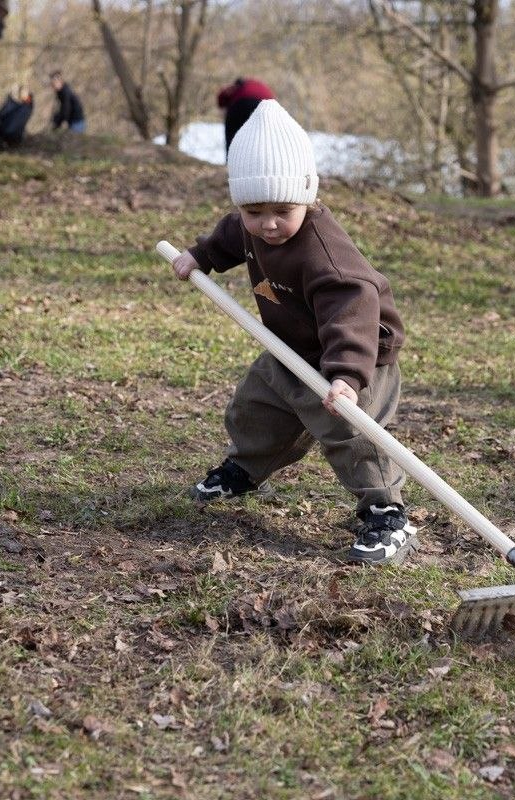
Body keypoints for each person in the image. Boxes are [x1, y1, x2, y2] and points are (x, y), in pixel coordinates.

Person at [169, 100, 415, 566]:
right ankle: (245, 469)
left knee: (351, 432)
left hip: (357, 356)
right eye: (254, 210)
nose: (269, 224)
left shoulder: (326, 256)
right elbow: (229, 237)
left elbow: (353, 311)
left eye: (282, 209)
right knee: (256, 407)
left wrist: (346, 375)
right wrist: (201, 257)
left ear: (307, 195)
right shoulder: (252, 227)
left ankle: (386, 512)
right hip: (291, 347)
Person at [216, 77, 275, 154]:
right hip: (268, 107)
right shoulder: (261, 86)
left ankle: (231, 160)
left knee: (231, 132)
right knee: (262, 136)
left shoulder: (236, 87)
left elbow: (222, 95)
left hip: (242, 103)